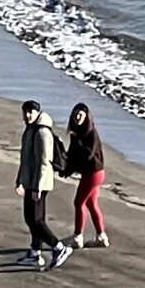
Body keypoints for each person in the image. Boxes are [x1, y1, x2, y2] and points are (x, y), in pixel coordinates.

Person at [16, 99, 69, 269]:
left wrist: (37, 187)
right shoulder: (30, 130)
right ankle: (35, 252)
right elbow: (26, 159)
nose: (27, 115)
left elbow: (44, 163)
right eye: (25, 112)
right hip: (30, 182)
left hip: (39, 183)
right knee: (33, 219)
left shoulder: (42, 132)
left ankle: (58, 247)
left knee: (35, 220)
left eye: (31, 112)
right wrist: (20, 180)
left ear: (37, 113)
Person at [64, 102, 107, 249]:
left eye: (80, 115)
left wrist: (77, 141)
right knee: (91, 204)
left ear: (87, 117)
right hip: (91, 173)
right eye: (75, 115)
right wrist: (65, 170)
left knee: (79, 203)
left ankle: (77, 237)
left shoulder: (91, 134)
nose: (77, 117)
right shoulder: (77, 133)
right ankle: (101, 236)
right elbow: (72, 156)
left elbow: (88, 155)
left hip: (94, 173)